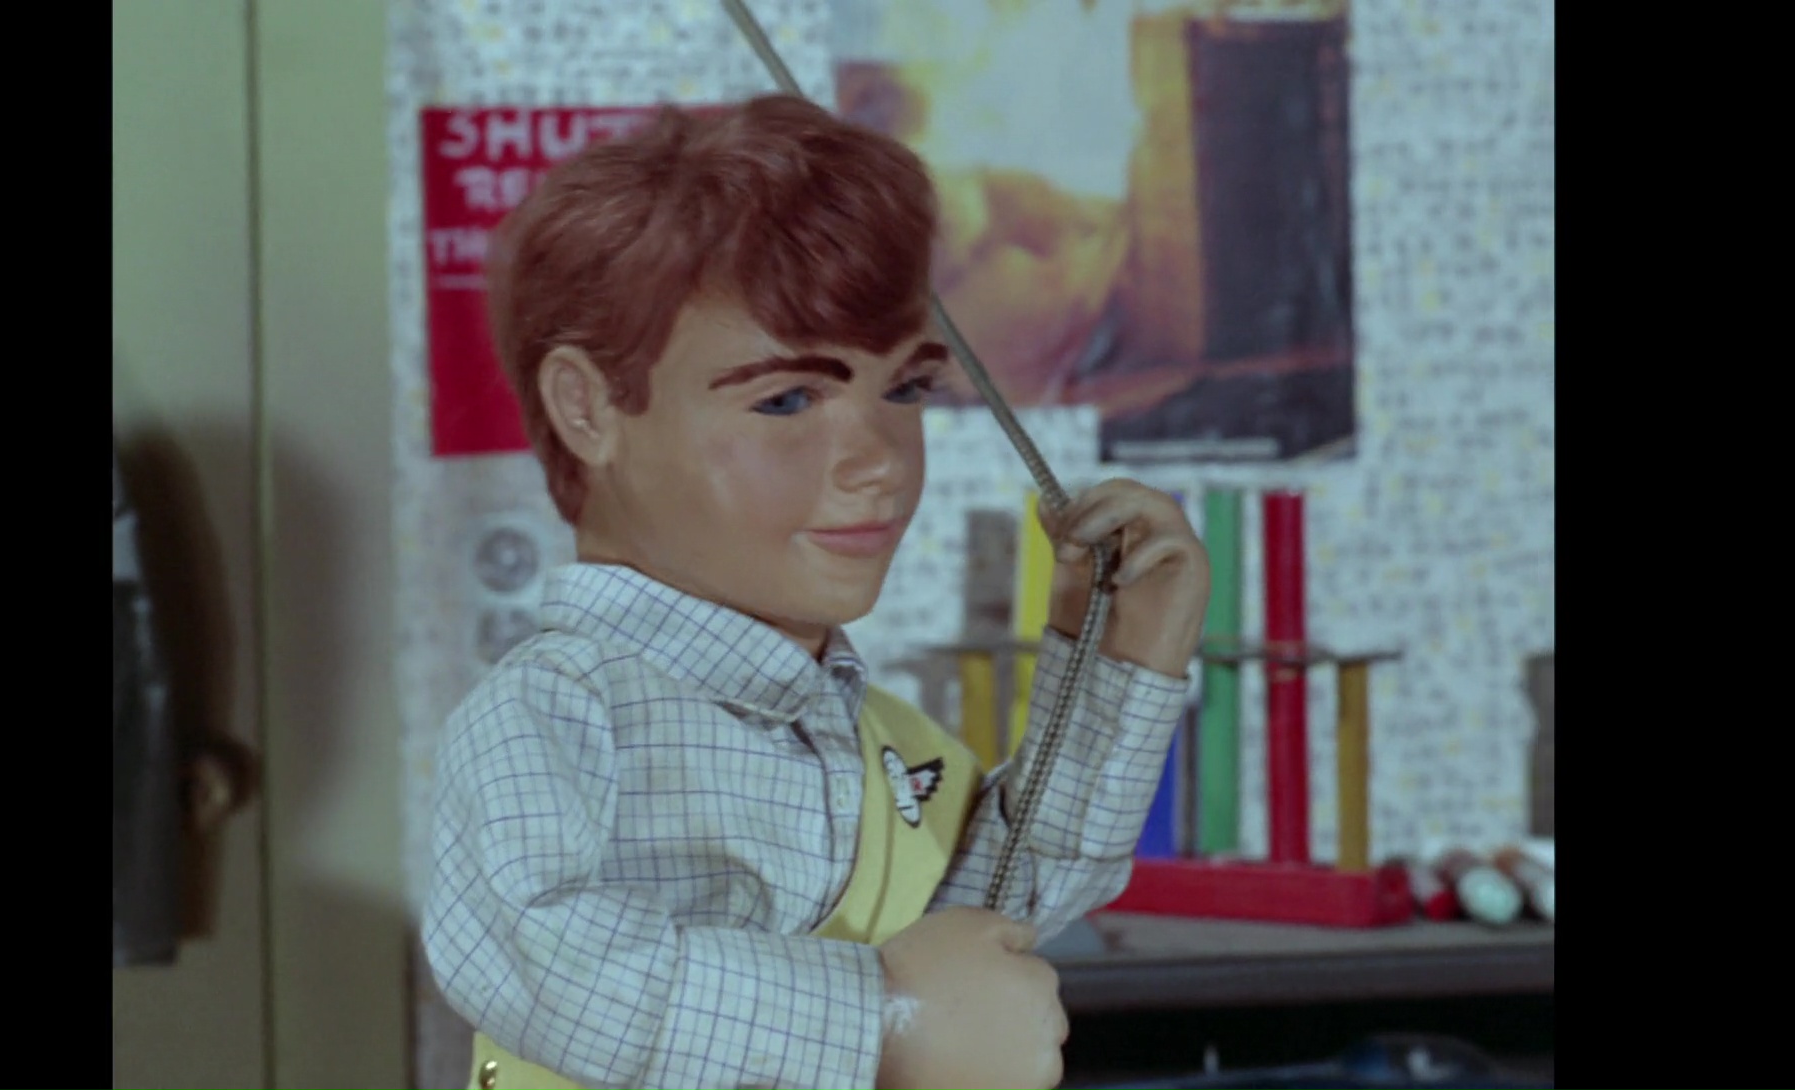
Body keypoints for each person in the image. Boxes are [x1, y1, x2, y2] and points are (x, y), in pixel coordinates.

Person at [421, 94, 1210, 1090]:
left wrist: (1119, 665)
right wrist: (882, 1021)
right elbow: (541, 965)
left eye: (905, 390)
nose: (877, 461)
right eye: (787, 399)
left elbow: (987, 925)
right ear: (589, 408)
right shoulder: (557, 712)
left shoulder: (884, 739)